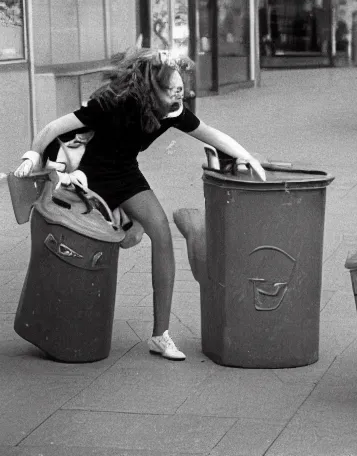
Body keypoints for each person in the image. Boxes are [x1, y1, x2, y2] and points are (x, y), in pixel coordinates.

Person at [11, 47, 267, 360]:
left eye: (180, 89)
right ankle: (122, 225)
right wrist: (32, 156)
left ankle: (161, 335)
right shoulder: (110, 102)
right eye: (172, 88)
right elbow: (53, 129)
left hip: (126, 175)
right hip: (90, 177)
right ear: (152, 89)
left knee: (160, 231)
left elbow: (210, 134)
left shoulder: (172, 111)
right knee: (108, 241)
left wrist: (246, 155)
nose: (179, 95)